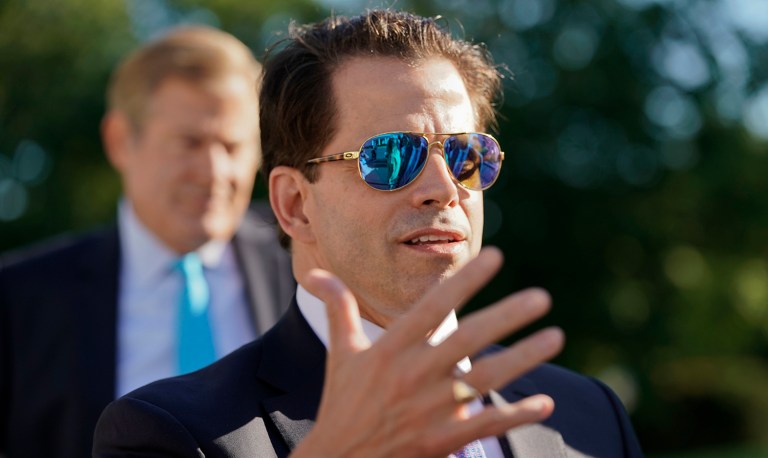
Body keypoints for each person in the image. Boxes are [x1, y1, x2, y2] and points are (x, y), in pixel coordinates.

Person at [92, 10, 643, 457]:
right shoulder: (167, 433)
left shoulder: (587, 416)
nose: (444, 188)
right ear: (294, 205)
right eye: (392, 155)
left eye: (465, 155)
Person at [0, 26, 295, 458]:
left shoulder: (308, 267)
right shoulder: (20, 300)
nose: (214, 172)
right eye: (189, 143)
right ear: (120, 141)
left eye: (233, 146)